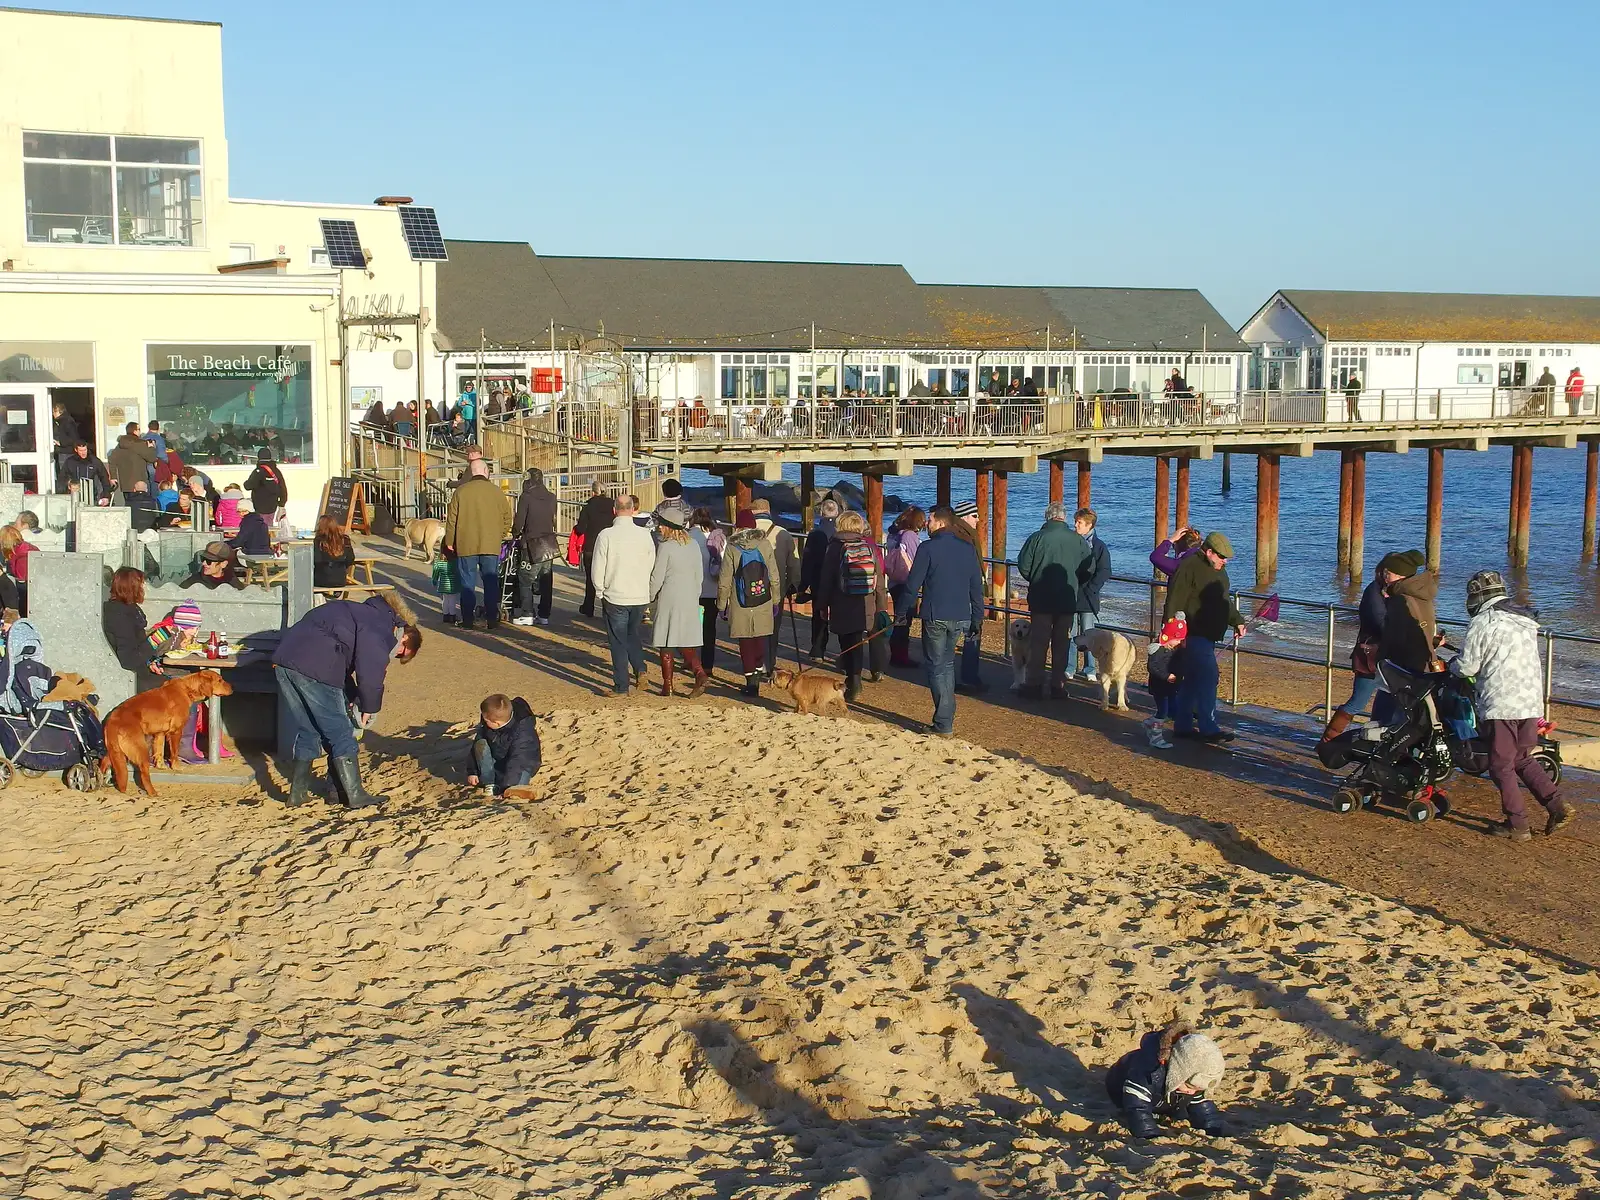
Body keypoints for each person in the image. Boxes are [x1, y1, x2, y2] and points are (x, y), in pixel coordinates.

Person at [273, 592, 422, 809]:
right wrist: (370, 708)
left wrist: (353, 696)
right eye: (401, 653)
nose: (396, 655)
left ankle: (298, 794)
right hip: (317, 666)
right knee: (341, 732)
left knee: (309, 730)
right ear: (405, 636)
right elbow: (370, 672)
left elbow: (344, 666)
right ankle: (355, 795)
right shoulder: (380, 627)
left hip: (286, 662)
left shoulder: (362, 613)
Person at [1454, 570, 1572, 841]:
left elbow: (1469, 666)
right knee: (1521, 757)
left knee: (1500, 765)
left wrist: (1453, 667)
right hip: (1530, 700)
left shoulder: (1483, 622)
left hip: (1502, 702)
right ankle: (1557, 805)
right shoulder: (1524, 620)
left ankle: (1517, 824)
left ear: (1477, 596)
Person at [901, 505, 984, 736]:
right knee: (945, 665)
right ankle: (946, 717)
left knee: (938, 668)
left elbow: (912, 585)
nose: (927, 524)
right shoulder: (967, 549)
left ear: (940, 523)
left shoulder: (928, 548)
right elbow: (976, 587)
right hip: (960, 615)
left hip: (936, 615)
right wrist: (977, 618)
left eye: (930, 520)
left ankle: (944, 722)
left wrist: (901, 612)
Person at [1162, 531, 1245, 742]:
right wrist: (1172, 633)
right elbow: (1174, 600)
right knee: (1209, 678)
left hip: (1210, 635)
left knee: (1191, 680)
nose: (1225, 561)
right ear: (1209, 552)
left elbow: (1224, 601)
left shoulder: (1220, 572)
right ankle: (1208, 728)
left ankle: (1182, 725)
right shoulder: (1189, 567)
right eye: (1221, 557)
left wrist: (1237, 620)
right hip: (1192, 633)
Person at [1015, 501, 1090, 700]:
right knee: (1062, 643)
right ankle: (1058, 684)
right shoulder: (1077, 540)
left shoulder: (1036, 538)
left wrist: (1035, 578)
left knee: (1038, 643)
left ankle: (1034, 684)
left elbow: (1023, 565)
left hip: (1041, 598)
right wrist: (1074, 582)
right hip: (1066, 600)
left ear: (1047, 517)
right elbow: (1088, 567)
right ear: (1064, 517)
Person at [1321, 557, 1400, 741]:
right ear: (1384, 573)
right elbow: (1379, 622)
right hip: (1371, 657)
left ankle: (1376, 739)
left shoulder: (1386, 592)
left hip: (1385, 658)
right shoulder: (1374, 592)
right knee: (1357, 702)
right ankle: (1328, 740)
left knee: (1387, 699)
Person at [1105, 1020, 1227, 1140]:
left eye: (1198, 1088)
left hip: (1166, 1098)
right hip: (1122, 1090)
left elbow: (1203, 1107)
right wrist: (1149, 1134)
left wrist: (1213, 1128)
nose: (1192, 1092)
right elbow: (1137, 1108)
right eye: (1190, 1086)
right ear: (1179, 1072)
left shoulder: (1194, 1077)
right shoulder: (1148, 1072)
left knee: (1184, 1111)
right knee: (1138, 1107)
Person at [815, 510, 889, 702]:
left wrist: (822, 605)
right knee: (858, 638)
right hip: (866, 601)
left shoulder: (835, 547)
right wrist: (881, 605)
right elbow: (879, 579)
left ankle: (853, 678)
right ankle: (855, 676)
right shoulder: (868, 546)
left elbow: (826, 579)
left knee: (847, 640)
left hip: (842, 601)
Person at [593, 493, 656, 694]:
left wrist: (600, 590)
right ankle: (640, 668)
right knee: (631, 634)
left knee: (618, 641)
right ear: (632, 509)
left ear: (614, 510)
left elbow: (598, 567)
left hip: (616, 594)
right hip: (639, 595)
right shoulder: (644, 535)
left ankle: (622, 685)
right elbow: (651, 563)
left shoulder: (606, 535)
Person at [443, 459, 513, 631]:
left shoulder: (460, 492)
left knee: (467, 582)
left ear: (471, 472)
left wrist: (450, 542)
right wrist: (500, 534)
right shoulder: (496, 492)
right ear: (485, 471)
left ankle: (467, 619)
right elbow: (507, 517)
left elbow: (451, 520)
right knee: (490, 582)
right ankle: (492, 619)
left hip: (466, 544)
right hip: (491, 544)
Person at [717, 508, 782, 696]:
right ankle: (758, 671)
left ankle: (751, 683)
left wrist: (722, 605)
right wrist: (776, 600)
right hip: (762, 598)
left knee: (745, 642)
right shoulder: (765, 544)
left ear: (738, 526)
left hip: (740, 600)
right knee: (760, 638)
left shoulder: (732, 547)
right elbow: (774, 576)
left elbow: (725, 580)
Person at [649, 502, 710, 698]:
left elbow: (657, 577)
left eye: (662, 524)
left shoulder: (666, 547)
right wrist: (695, 593)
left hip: (670, 597)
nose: (659, 527)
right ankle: (700, 673)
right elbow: (699, 575)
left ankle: (668, 686)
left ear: (669, 526)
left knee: (666, 643)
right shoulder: (692, 544)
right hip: (690, 597)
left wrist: (649, 596)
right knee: (685, 640)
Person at [750, 498, 800, 675]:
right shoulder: (783, 534)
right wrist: (793, 584)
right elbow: (793, 563)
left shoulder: (746, 532)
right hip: (776, 588)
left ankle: (753, 662)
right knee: (773, 628)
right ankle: (769, 663)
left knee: (753, 627)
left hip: (751, 588)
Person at [102, 566, 164, 694]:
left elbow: (138, 645)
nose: (144, 588)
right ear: (132, 588)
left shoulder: (128, 610)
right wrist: (156, 638)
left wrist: (150, 662)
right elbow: (129, 660)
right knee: (183, 691)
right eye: (141, 585)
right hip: (131, 679)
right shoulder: (119, 616)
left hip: (140, 672)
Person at [948, 500, 989, 693]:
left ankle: (957, 677)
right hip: (967, 593)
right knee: (971, 632)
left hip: (958, 592)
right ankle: (968, 678)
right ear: (964, 517)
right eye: (974, 516)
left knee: (954, 636)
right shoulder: (965, 536)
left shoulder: (960, 533)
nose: (978, 520)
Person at [466, 694, 541, 797]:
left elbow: (519, 760)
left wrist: (505, 786)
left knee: (515, 785)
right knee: (481, 744)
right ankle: (490, 783)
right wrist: (473, 771)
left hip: (523, 763)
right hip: (497, 757)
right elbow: (477, 744)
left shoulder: (523, 731)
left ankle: (510, 789)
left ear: (496, 723)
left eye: (486, 720)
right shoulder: (488, 722)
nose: (483, 721)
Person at [511, 467, 559, 627]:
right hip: (549, 544)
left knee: (525, 579)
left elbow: (520, 522)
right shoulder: (552, 497)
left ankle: (527, 613)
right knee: (546, 581)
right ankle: (544, 615)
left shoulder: (526, 497)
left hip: (531, 544)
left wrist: (515, 533)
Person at [1377, 549, 1437, 675]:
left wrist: (1381, 658)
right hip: (1421, 659)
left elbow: (1395, 635)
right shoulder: (1421, 593)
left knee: (1392, 694)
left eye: (1388, 573)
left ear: (1400, 576)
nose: (1385, 577)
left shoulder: (1400, 599)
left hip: (1403, 665)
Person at [1070, 507, 1111, 681]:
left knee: (1089, 634)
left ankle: (1090, 669)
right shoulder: (1070, 542)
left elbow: (1105, 570)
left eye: (1079, 522)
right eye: (1076, 522)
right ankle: (1069, 666)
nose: (1075, 525)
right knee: (1070, 634)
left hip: (1088, 597)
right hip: (1070, 594)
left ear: (1089, 525)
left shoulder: (1099, 546)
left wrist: (1092, 588)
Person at [884, 507, 926, 668]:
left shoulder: (894, 534)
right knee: (904, 620)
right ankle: (900, 656)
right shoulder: (909, 536)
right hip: (906, 582)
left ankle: (897, 654)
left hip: (894, 581)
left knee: (900, 617)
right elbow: (917, 559)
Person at [800, 496, 842, 658]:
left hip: (819, 580)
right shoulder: (840, 533)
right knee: (840, 616)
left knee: (819, 616)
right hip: (838, 581)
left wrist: (803, 585)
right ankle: (843, 653)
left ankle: (818, 649)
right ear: (837, 513)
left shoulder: (815, 534)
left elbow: (808, 562)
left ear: (821, 513)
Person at [1144, 614, 1187, 749]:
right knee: (1162, 712)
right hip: (1160, 687)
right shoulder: (1158, 651)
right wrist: (1166, 676)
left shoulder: (1177, 650)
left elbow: (1180, 665)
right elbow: (1152, 667)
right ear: (1168, 638)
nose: (1180, 642)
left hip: (1172, 687)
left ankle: (1150, 723)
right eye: (1177, 640)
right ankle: (1156, 737)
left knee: (1170, 710)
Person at [574, 482, 617, 618]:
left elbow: (581, 528)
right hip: (610, 546)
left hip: (591, 546)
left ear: (593, 492)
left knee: (591, 578)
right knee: (608, 577)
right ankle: (607, 609)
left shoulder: (588, 506)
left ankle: (588, 607)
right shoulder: (613, 505)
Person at [689, 507, 722, 677]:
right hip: (713, 590)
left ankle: (692, 661)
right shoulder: (717, 537)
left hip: (693, 590)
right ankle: (707, 665)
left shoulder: (689, 536)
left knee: (692, 627)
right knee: (709, 629)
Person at [108, 421, 159, 503]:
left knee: (129, 506)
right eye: (139, 429)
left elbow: (112, 460)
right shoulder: (140, 444)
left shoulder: (120, 445)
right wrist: (151, 448)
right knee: (139, 508)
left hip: (125, 483)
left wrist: (113, 476)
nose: (140, 431)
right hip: (139, 483)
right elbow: (152, 458)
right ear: (135, 431)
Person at [60, 438, 113, 503]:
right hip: (73, 495)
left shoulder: (94, 461)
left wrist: (106, 496)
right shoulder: (70, 461)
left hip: (91, 495)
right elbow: (62, 478)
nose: (83, 453)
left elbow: (104, 478)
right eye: (81, 450)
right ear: (76, 450)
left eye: (85, 450)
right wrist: (65, 492)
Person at [181, 541, 248, 591]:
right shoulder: (194, 582)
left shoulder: (233, 583)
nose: (204, 563)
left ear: (223, 564)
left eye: (209, 561)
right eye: (203, 559)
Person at [313, 514, 355, 589]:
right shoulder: (345, 539)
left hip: (322, 580)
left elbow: (316, 560)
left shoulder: (319, 541)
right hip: (340, 579)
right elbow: (350, 558)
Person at [244, 449, 288, 519]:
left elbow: (248, 486)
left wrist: (245, 483)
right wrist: (282, 503)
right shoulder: (276, 471)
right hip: (272, 505)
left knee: (261, 526)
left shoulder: (258, 471)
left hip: (259, 505)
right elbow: (282, 488)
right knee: (268, 525)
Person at [51, 402, 79, 491]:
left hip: (66, 452)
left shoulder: (66, 421)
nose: (52, 414)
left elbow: (74, 438)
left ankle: (65, 492)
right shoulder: (60, 421)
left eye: (53, 412)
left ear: (58, 411)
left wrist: (60, 442)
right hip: (62, 452)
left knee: (65, 474)